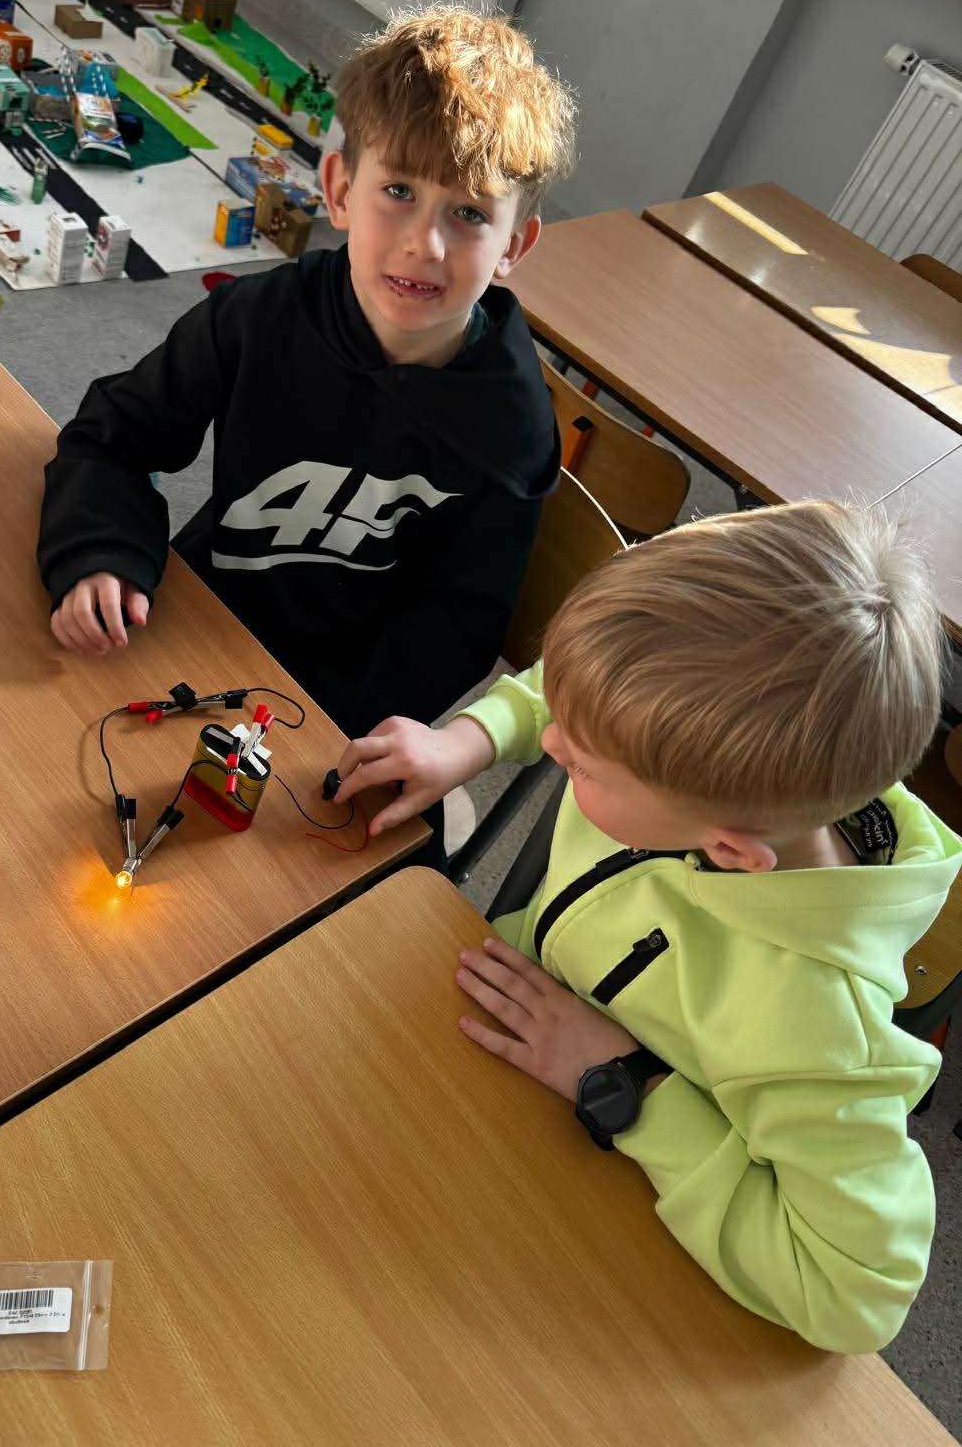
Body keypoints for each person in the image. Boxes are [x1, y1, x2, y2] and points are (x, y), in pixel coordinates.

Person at [334, 501, 961, 1351]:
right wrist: (474, 738)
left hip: (573, 1223)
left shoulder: (820, 1031)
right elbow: (589, 694)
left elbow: (857, 1299)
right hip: (495, 1047)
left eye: (585, 766)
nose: (555, 745)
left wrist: (630, 1084)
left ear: (729, 853)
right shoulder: (701, 774)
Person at [37, 5, 576, 738]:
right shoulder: (260, 316)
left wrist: (327, 729)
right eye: (399, 192)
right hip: (184, 619)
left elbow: (459, 622)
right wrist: (102, 554)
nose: (425, 245)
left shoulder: (514, 425)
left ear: (514, 245)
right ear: (340, 191)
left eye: (470, 215)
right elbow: (113, 436)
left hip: (326, 710)